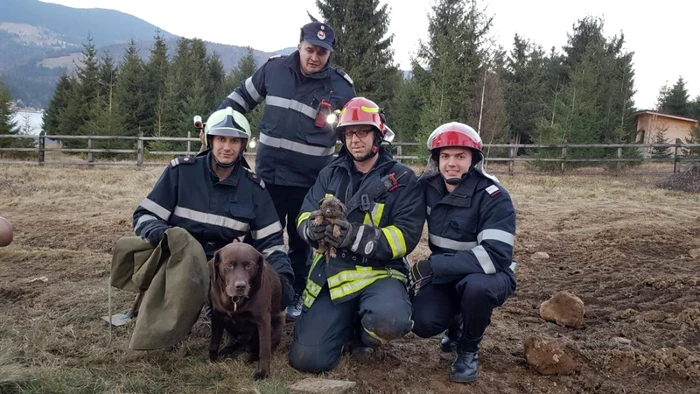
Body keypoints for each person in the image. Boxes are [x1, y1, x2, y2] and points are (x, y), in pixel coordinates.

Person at [216, 21, 356, 321]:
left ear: (329, 53)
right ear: (299, 46)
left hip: (311, 184)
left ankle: (293, 296)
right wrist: (220, 126)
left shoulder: (342, 87)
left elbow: (351, 133)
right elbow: (240, 99)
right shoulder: (274, 71)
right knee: (261, 240)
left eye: (322, 52)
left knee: (302, 242)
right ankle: (249, 294)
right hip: (268, 179)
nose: (315, 57)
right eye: (310, 50)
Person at [288, 97, 425, 373]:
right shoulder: (329, 174)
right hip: (332, 273)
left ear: (378, 135)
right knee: (307, 360)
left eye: (363, 131)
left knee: (390, 321)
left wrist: (354, 237)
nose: (355, 139)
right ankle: (343, 325)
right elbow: (303, 214)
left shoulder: (403, 180)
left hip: (380, 274)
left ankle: (364, 335)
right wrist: (311, 230)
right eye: (349, 133)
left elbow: (405, 237)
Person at [132, 107, 295, 310]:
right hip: (177, 260)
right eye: (221, 139)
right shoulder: (181, 173)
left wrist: (283, 281)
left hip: (222, 269)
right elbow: (144, 215)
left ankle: (215, 305)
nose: (227, 147)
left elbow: (272, 243)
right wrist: (167, 236)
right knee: (174, 313)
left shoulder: (253, 189)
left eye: (234, 141)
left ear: (243, 145)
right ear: (210, 141)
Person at [410, 122, 517, 383]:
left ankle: (468, 348)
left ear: (474, 160)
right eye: (445, 156)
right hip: (449, 276)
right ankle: (455, 321)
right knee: (422, 322)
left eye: (460, 156)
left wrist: (435, 267)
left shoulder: (494, 196)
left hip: (490, 275)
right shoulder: (428, 188)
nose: (452, 163)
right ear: (436, 160)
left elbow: (496, 256)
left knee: (476, 289)